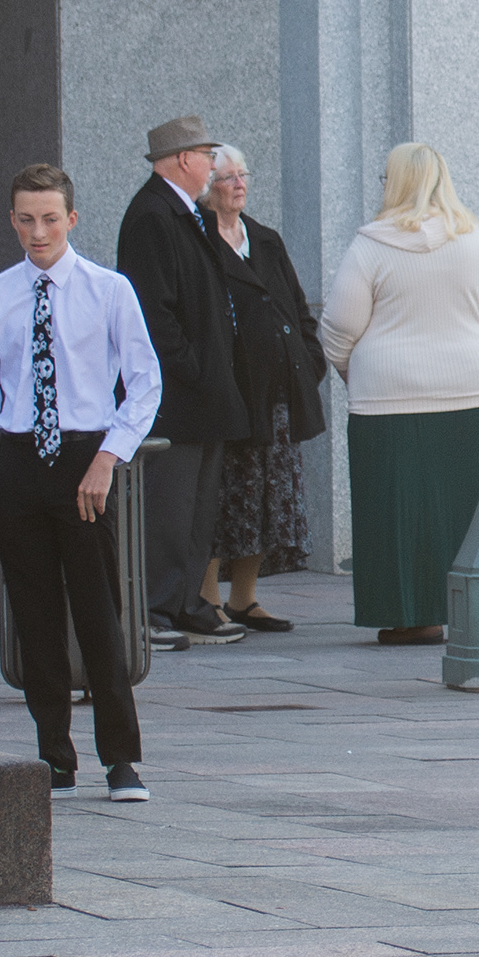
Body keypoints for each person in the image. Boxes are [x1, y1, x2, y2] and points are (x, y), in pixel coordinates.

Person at [0, 164, 162, 802]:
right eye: (26, 218)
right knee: (35, 615)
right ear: (12, 220)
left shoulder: (108, 290)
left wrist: (109, 456)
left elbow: (145, 383)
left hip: (83, 459)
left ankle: (121, 760)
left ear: (71, 219)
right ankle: (54, 757)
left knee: (99, 610)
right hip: (20, 462)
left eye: (50, 218)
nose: (38, 231)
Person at [321, 143, 479, 647]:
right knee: (467, 509)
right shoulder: (475, 238)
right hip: (469, 392)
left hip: (386, 398)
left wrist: (352, 371)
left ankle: (407, 613)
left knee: (393, 511)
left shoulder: (370, 245)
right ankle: (470, 608)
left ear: (395, 183)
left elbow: (338, 328)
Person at [116, 117, 248, 647]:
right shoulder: (152, 215)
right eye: (205, 153)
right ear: (179, 160)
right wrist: (191, 369)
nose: (212, 164)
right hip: (178, 394)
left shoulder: (183, 211)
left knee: (197, 506)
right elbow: (154, 311)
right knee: (169, 507)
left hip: (203, 392)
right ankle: (153, 610)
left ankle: (188, 600)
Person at [195, 144, 322, 632]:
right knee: (224, 496)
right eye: (227, 177)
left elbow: (296, 305)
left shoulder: (264, 239)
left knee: (270, 497)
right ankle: (208, 598)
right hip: (230, 393)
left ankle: (245, 598)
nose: (239, 184)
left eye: (243, 175)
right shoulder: (200, 239)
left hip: (278, 394)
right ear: (208, 187)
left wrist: (308, 362)